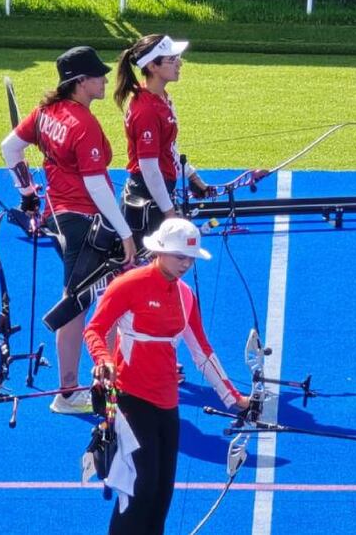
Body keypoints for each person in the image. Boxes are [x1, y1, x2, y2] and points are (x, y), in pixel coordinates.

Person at [84, 218, 250, 535]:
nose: (186, 264)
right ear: (160, 251)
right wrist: (103, 359)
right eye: (180, 257)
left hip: (167, 404)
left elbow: (202, 351)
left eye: (190, 258)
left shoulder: (186, 295)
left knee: (162, 493)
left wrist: (234, 399)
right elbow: (95, 328)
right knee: (138, 489)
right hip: (130, 399)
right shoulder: (128, 284)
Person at [0, 46, 137, 415]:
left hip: (61, 217)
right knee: (78, 303)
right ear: (80, 83)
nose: (105, 79)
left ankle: (99, 376)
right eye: (98, 75)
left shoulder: (47, 113)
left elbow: (10, 148)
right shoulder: (83, 124)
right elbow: (96, 186)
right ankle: (68, 390)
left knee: (99, 295)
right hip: (86, 223)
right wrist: (124, 232)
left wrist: (26, 192)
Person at [114, 34, 215, 239]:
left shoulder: (161, 97)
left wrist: (192, 177)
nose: (180, 63)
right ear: (153, 66)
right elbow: (149, 168)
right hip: (148, 197)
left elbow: (168, 148)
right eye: (172, 59)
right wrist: (169, 214)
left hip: (156, 193)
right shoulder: (147, 110)